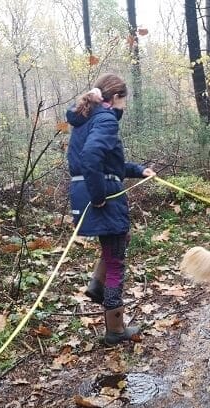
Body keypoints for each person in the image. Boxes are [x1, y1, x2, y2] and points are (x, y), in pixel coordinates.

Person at [66, 73, 155, 345]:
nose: (124, 107)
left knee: (117, 241)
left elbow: (109, 165)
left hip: (84, 192)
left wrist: (139, 170)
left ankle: (96, 286)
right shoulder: (105, 119)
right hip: (99, 195)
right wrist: (99, 196)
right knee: (116, 259)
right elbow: (91, 157)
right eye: (124, 100)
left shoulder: (88, 119)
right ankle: (115, 329)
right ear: (115, 98)